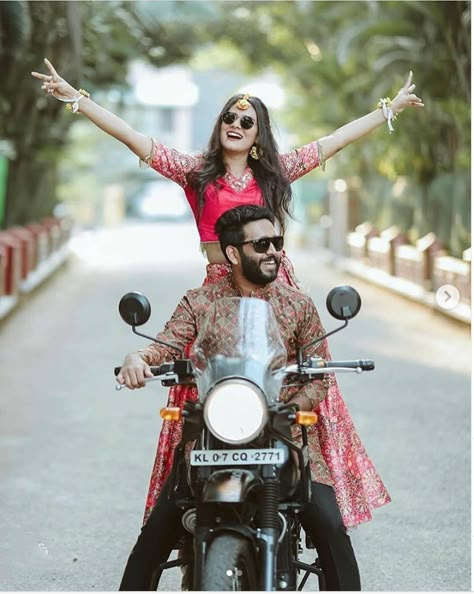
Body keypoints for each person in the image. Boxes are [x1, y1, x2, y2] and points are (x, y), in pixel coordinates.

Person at [32, 58, 421, 527]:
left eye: (247, 121)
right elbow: (132, 136)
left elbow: (334, 141)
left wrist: (389, 109)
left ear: (258, 135)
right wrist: (78, 99)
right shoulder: (196, 173)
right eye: (229, 118)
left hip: (275, 291)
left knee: (301, 385)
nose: (236, 125)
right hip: (219, 293)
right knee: (201, 390)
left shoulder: (276, 175)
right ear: (219, 126)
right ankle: (193, 497)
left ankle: (304, 492)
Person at [116, 204, 362, 591]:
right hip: (214, 436)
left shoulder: (299, 305)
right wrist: (137, 358)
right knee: (152, 539)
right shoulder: (200, 302)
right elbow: (164, 344)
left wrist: (292, 409)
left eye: (277, 243)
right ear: (233, 253)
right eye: (262, 244)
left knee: (331, 527)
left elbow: (320, 378)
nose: (273, 252)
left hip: (285, 436)